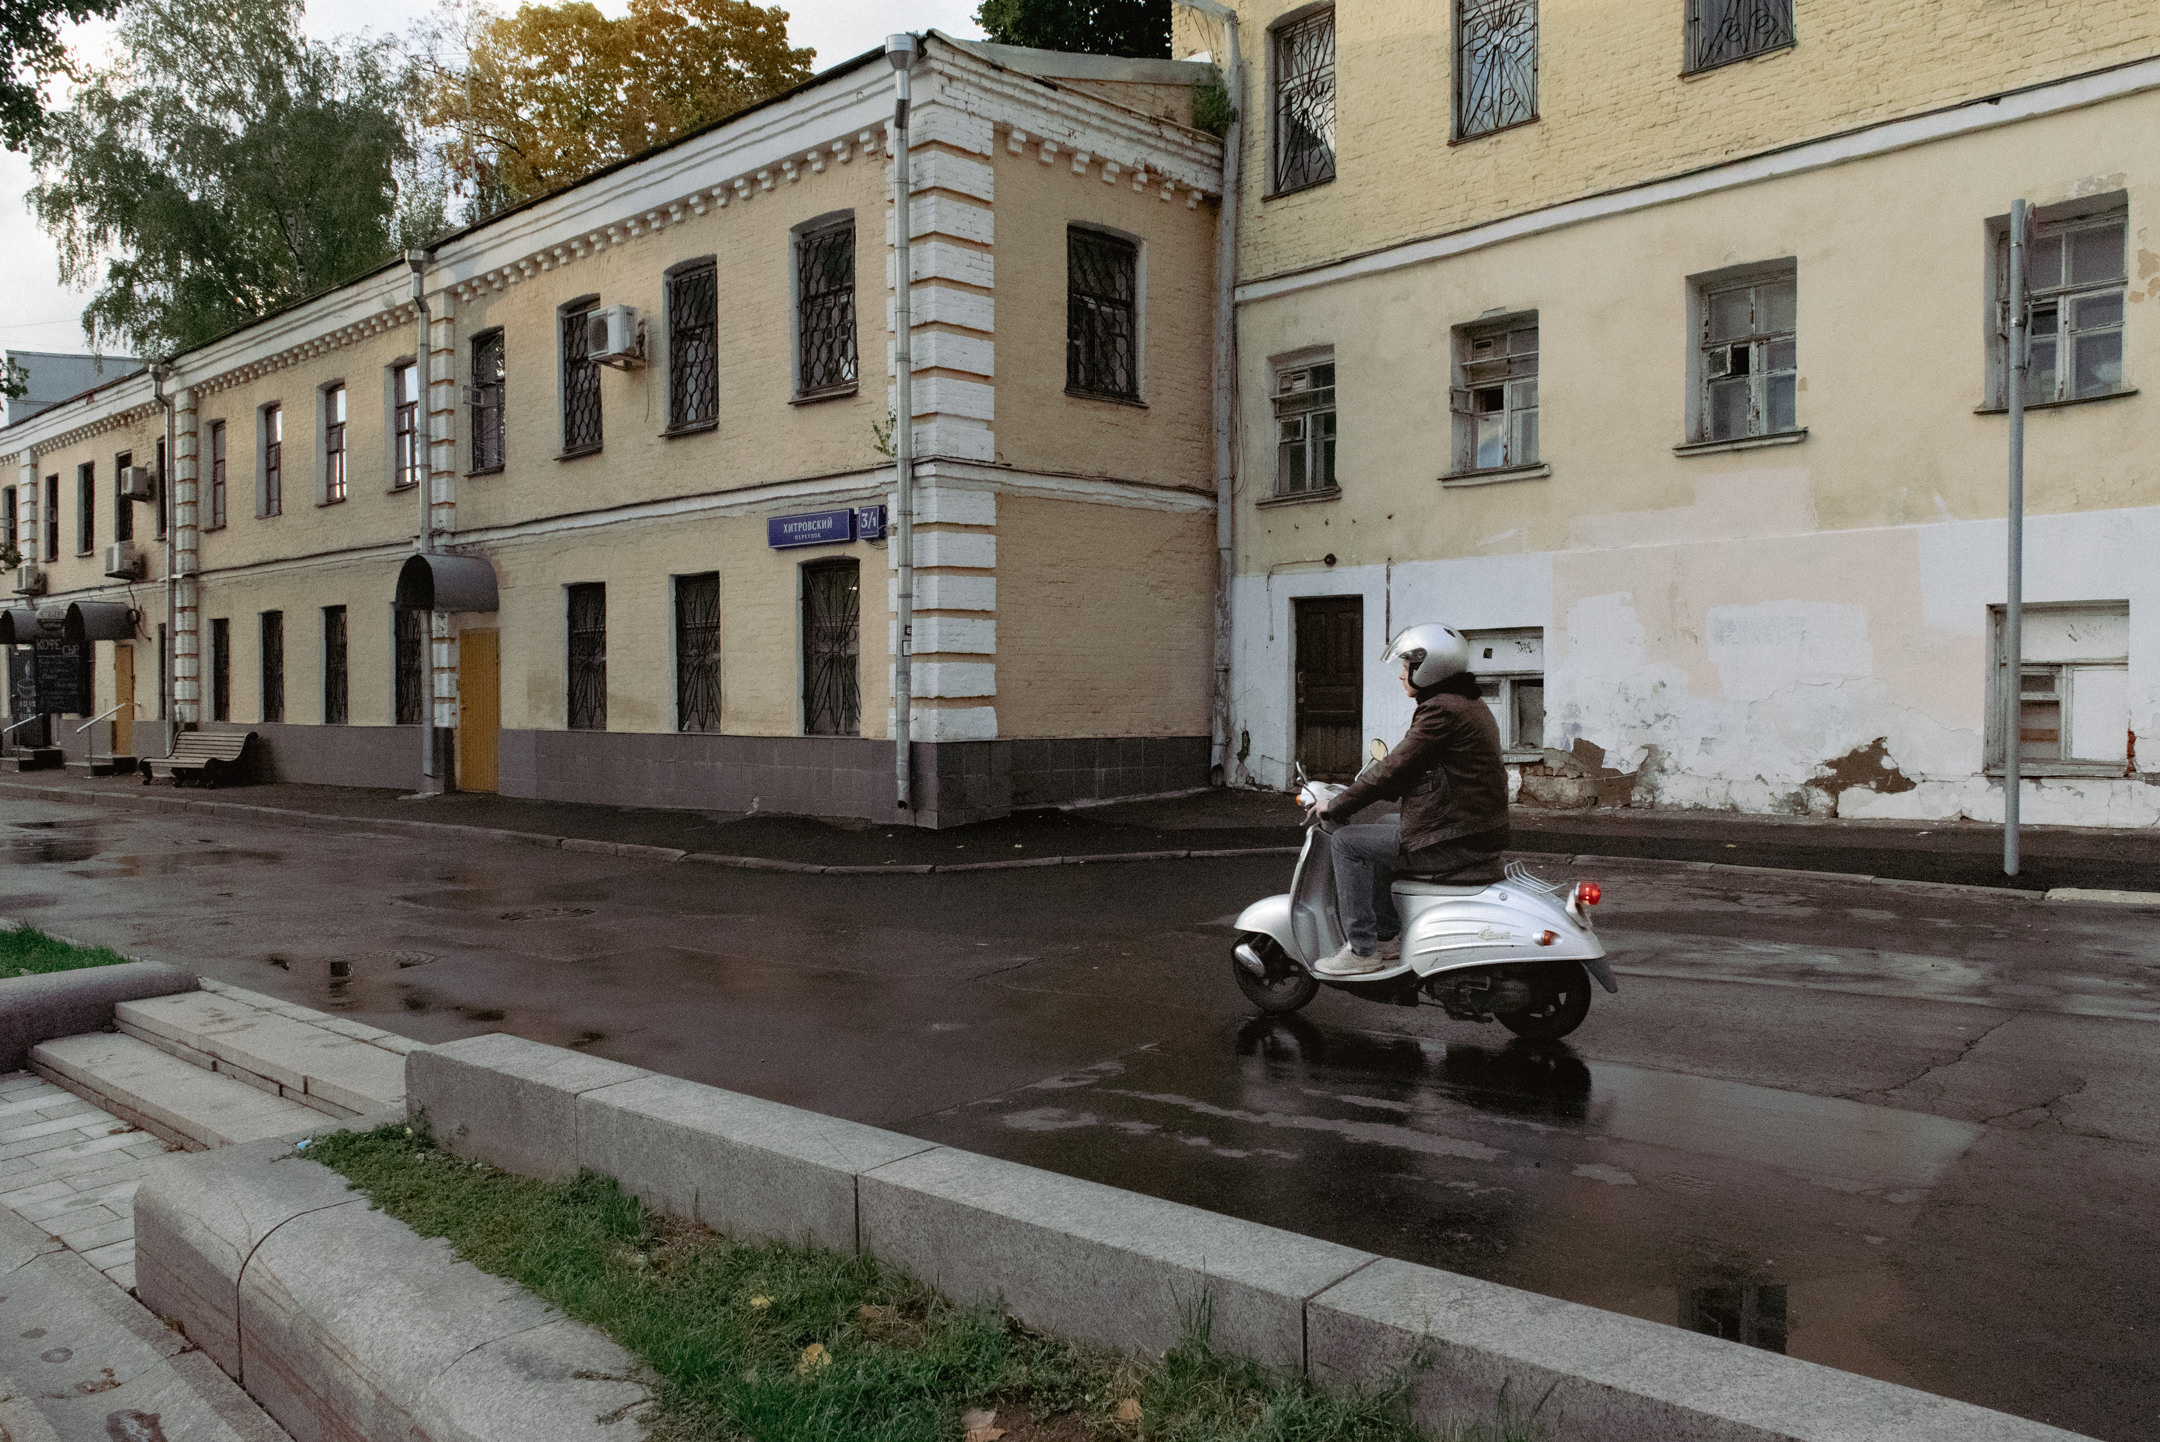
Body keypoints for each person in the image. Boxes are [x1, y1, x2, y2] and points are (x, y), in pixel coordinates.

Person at [1304, 623, 1511, 977]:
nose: (1401, 675)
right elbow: (1411, 768)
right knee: (1386, 825)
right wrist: (1369, 787)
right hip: (1473, 827)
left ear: (1428, 668)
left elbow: (1393, 768)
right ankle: (1387, 935)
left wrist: (1336, 805)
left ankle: (1362, 949)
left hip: (1457, 836)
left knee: (1346, 842)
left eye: (1406, 666)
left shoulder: (1441, 711)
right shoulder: (1464, 703)